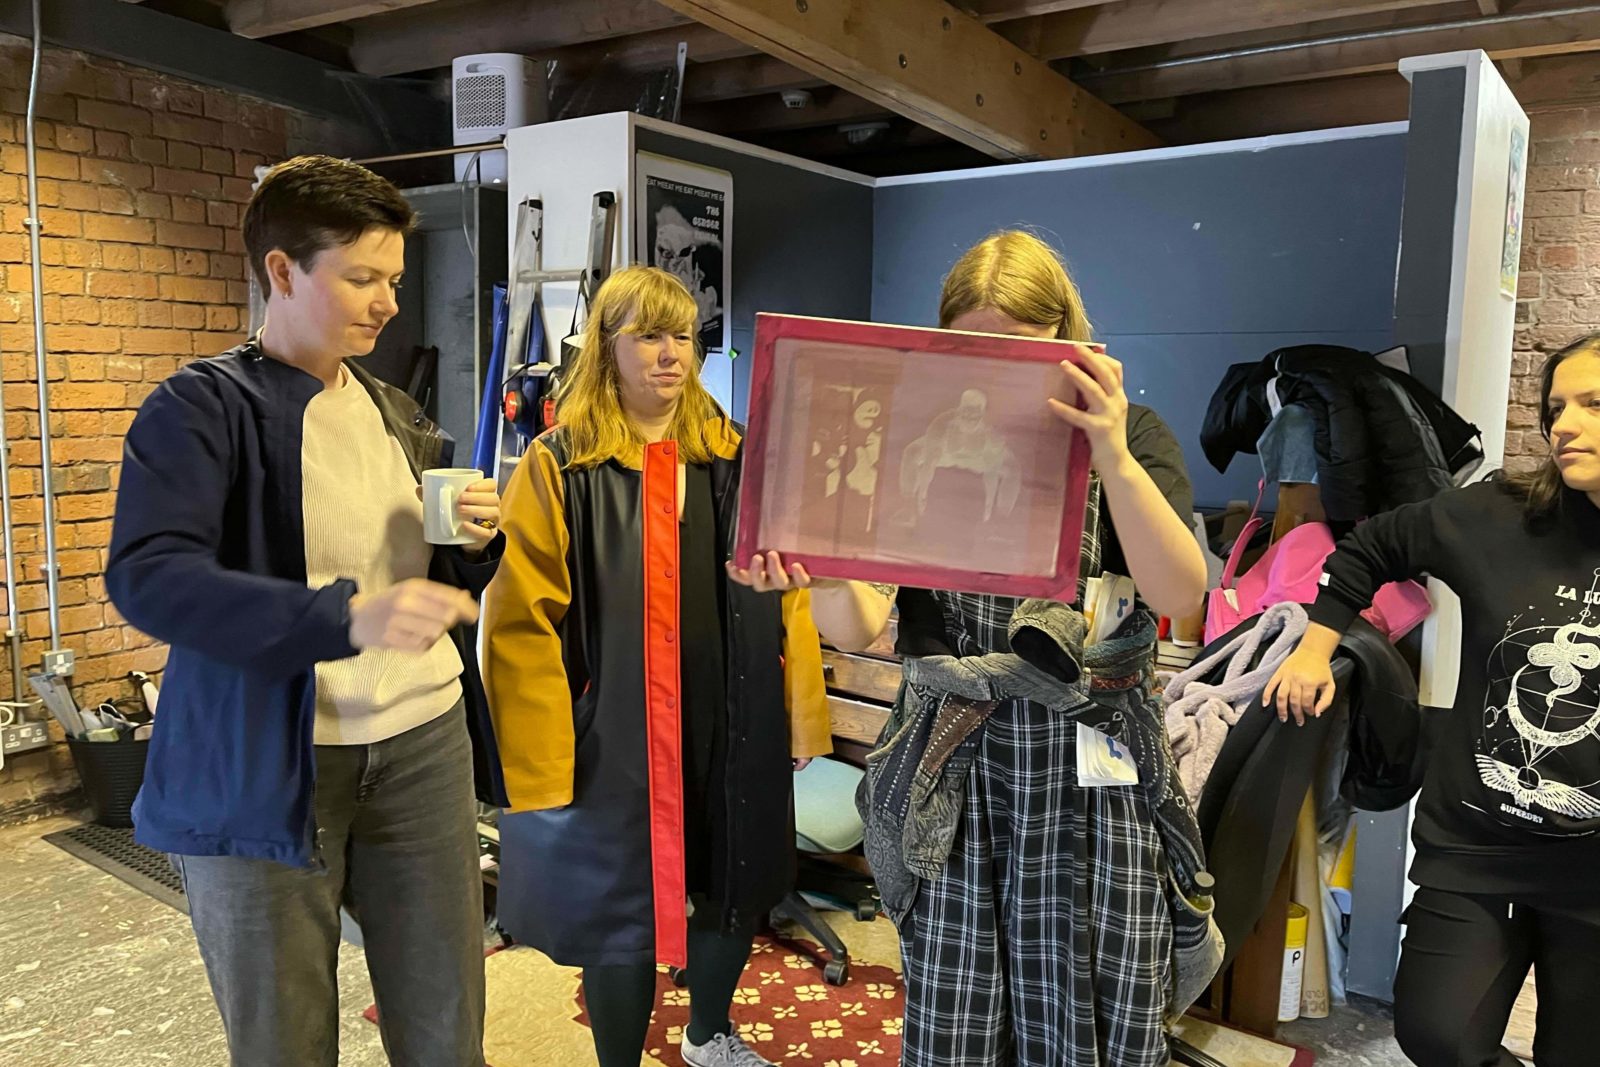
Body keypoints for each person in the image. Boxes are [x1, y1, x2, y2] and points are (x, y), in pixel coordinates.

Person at [730, 230, 1208, 1065]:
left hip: (1087, 768)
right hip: (959, 769)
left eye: (1021, 351)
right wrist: (814, 573)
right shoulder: (920, 444)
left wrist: (1113, 455)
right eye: (974, 348)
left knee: (1092, 1003)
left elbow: (1180, 594)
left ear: (1067, 337)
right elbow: (862, 626)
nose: (994, 373)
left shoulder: (1131, 438)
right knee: (961, 1015)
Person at [106, 155, 504, 1067]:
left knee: (448, 1023)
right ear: (282, 270)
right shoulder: (201, 407)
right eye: (362, 277)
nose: (388, 302)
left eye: (394, 280)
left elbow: (420, 581)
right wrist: (346, 617)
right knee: (284, 1035)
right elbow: (150, 577)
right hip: (267, 758)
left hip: (423, 742)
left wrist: (474, 548)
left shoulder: (393, 411)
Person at [483, 266, 831, 1067]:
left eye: (683, 335)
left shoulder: (738, 457)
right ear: (608, 348)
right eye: (648, 335)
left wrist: (802, 711)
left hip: (731, 710)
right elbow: (518, 621)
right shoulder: (558, 464)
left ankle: (709, 1033)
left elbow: (794, 602)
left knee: (730, 882)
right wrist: (542, 751)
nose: (671, 354)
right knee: (620, 909)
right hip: (615, 723)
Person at [1266, 335, 1600, 1067]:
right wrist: (1315, 647)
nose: (1565, 425)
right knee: (1437, 1034)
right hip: (1479, 843)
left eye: (1593, 404)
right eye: (1556, 408)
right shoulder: (1501, 518)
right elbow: (1370, 547)